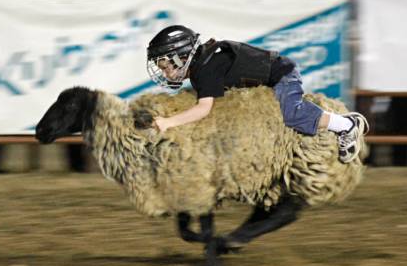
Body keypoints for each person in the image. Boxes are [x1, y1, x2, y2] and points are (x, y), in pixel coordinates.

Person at [146, 25, 369, 164]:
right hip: (266, 79)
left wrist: (168, 122)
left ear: (182, 57)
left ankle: (346, 126)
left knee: (291, 114)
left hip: (282, 74)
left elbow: (204, 109)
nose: (165, 72)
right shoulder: (204, 63)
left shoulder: (206, 69)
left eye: (166, 66)